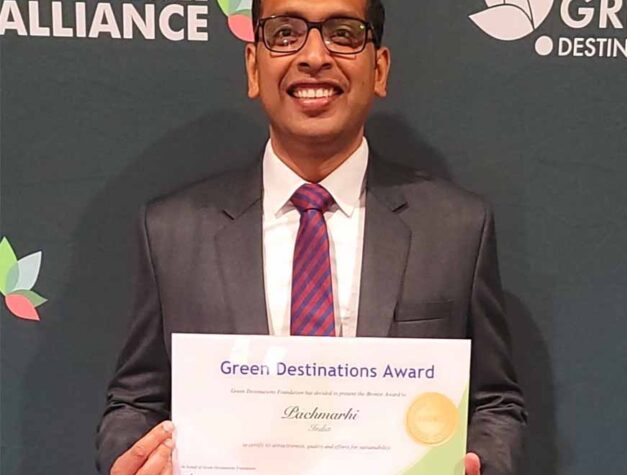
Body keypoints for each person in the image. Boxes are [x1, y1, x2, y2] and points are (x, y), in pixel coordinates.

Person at [96, 0, 527, 473]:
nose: (315, 56)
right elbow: (135, 403)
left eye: (343, 33)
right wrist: (134, 458)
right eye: (285, 33)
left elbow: (495, 403)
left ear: (379, 70)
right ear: (254, 67)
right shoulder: (172, 231)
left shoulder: (457, 228)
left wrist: (481, 463)